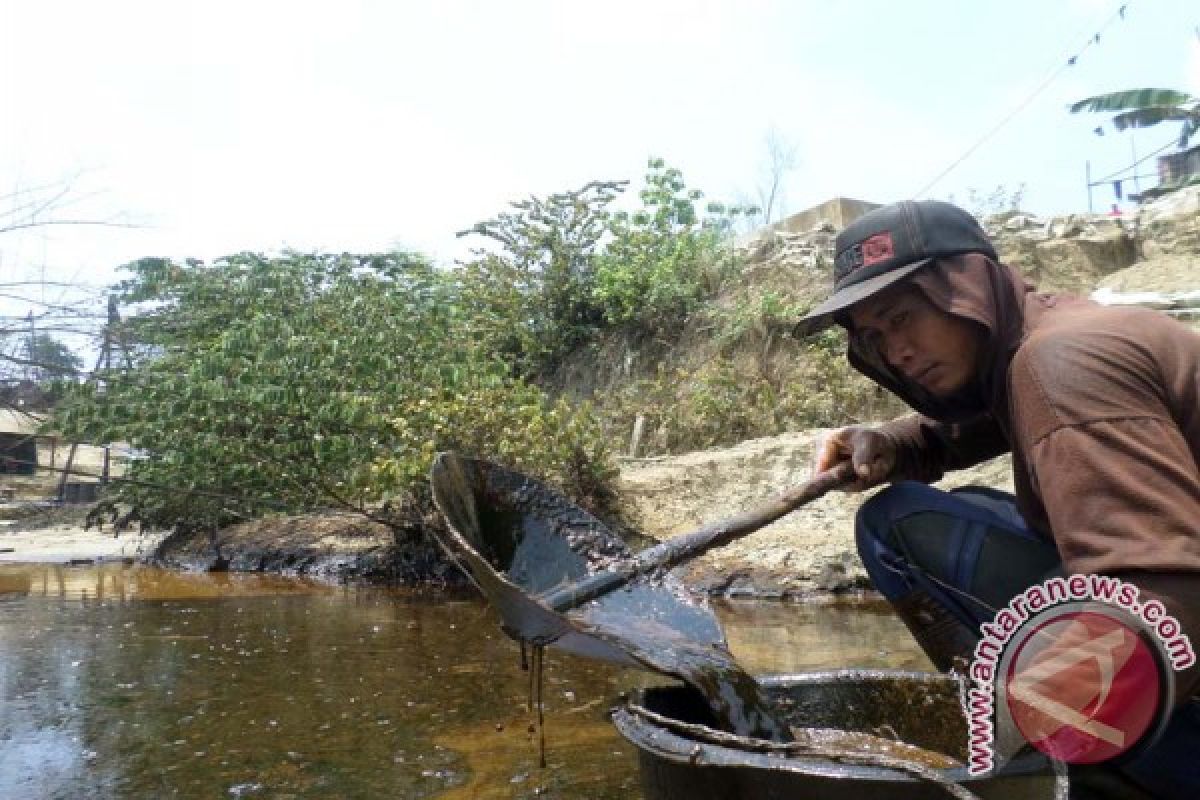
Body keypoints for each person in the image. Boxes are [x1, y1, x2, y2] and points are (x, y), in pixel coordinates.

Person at [793, 199, 1199, 798]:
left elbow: (1171, 598)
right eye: (875, 336)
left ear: (966, 287)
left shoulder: (1061, 367)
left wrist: (993, 744)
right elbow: (966, 426)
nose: (895, 351)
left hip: (1181, 633)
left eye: (902, 316)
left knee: (897, 530)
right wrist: (889, 444)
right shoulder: (1042, 341)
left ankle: (1092, 771)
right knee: (905, 514)